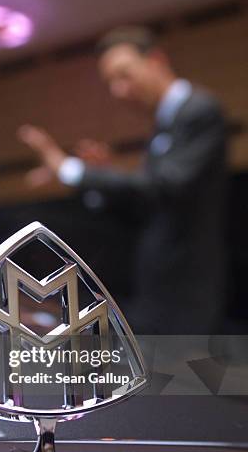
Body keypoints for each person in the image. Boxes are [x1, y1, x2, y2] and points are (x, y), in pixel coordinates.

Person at [18, 26, 228, 334]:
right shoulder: (164, 125)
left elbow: (168, 185)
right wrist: (103, 177)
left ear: (156, 60)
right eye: (111, 82)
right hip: (156, 289)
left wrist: (73, 170)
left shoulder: (199, 111)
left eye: (124, 74)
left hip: (186, 291)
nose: (119, 90)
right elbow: (148, 204)